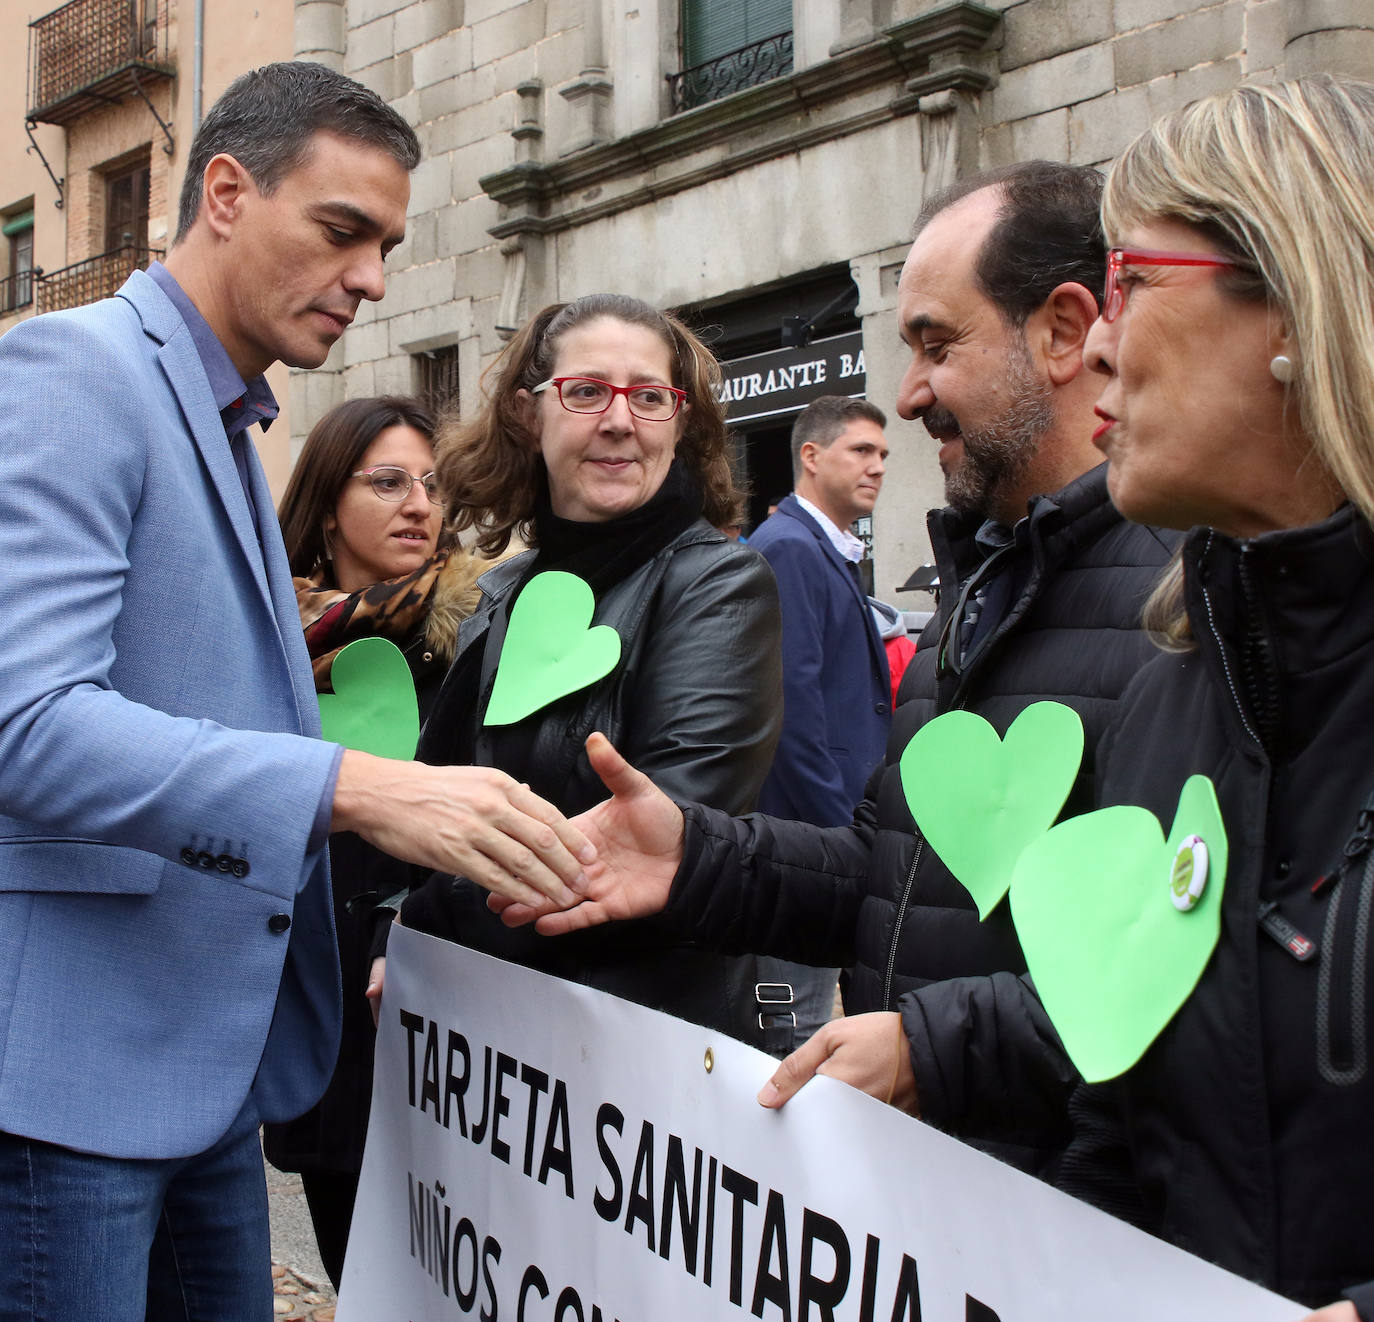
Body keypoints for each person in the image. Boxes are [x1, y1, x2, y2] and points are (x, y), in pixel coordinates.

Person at [0, 64, 593, 1321]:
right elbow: (28, 722)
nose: (373, 276)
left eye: (386, 243)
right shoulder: (76, 370)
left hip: (201, 1074)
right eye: (343, 231)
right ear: (225, 191)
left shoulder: (225, 414)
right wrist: (354, 784)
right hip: (66, 1087)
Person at [496, 161, 1176, 1180]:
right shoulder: (985, 591)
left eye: (936, 345)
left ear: (1067, 332)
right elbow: (888, 876)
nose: (905, 399)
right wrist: (693, 858)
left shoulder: (1183, 601)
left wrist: (931, 1049)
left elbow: (1193, 964)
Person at [1048, 75, 1374, 1319]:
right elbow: (1120, 1120)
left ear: (1293, 298)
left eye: (1126, 281)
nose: (1093, 346)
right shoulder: (1177, 693)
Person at [387, 293, 787, 1049]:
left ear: (682, 421)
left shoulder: (718, 583)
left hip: (633, 1050)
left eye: (649, 396)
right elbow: (434, 801)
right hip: (483, 1040)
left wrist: (426, 926)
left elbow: (658, 833)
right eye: (586, 390)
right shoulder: (504, 591)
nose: (618, 420)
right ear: (526, 414)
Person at [264, 395, 489, 1287]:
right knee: (358, 1267)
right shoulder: (269, 643)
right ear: (326, 507)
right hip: (316, 990)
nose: (419, 506)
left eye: (431, 486)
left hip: (440, 987)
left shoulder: (478, 633)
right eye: (388, 482)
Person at [748, 396, 892, 1045]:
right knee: (786, 1027)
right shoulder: (790, 547)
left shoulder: (821, 547)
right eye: (861, 450)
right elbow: (790, 708)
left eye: (884, 454)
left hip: (821, 837)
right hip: (804, 840)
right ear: (811, 456)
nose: (878, 466)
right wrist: (841, 837)